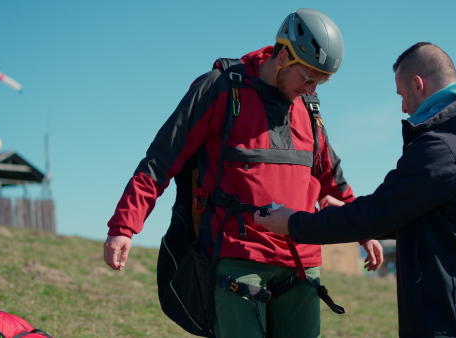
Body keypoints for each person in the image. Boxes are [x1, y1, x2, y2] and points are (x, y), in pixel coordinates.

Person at [103, 8, 383, 338]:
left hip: (303, 262)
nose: (311, 90)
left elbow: (331, 179)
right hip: (239, 259)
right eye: (308, 78)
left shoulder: (308, 108)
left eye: (320, 82)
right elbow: (162, 158)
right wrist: (125, 225)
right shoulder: (221, 88)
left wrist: (363, 229)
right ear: (283, 56)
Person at [255, 42, 456, 337]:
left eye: (402, 95)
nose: (403, 108)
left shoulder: (443, 148)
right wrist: (347, 212)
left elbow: (377, 213)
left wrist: (293, 224)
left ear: (418, 85)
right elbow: (405, 210)